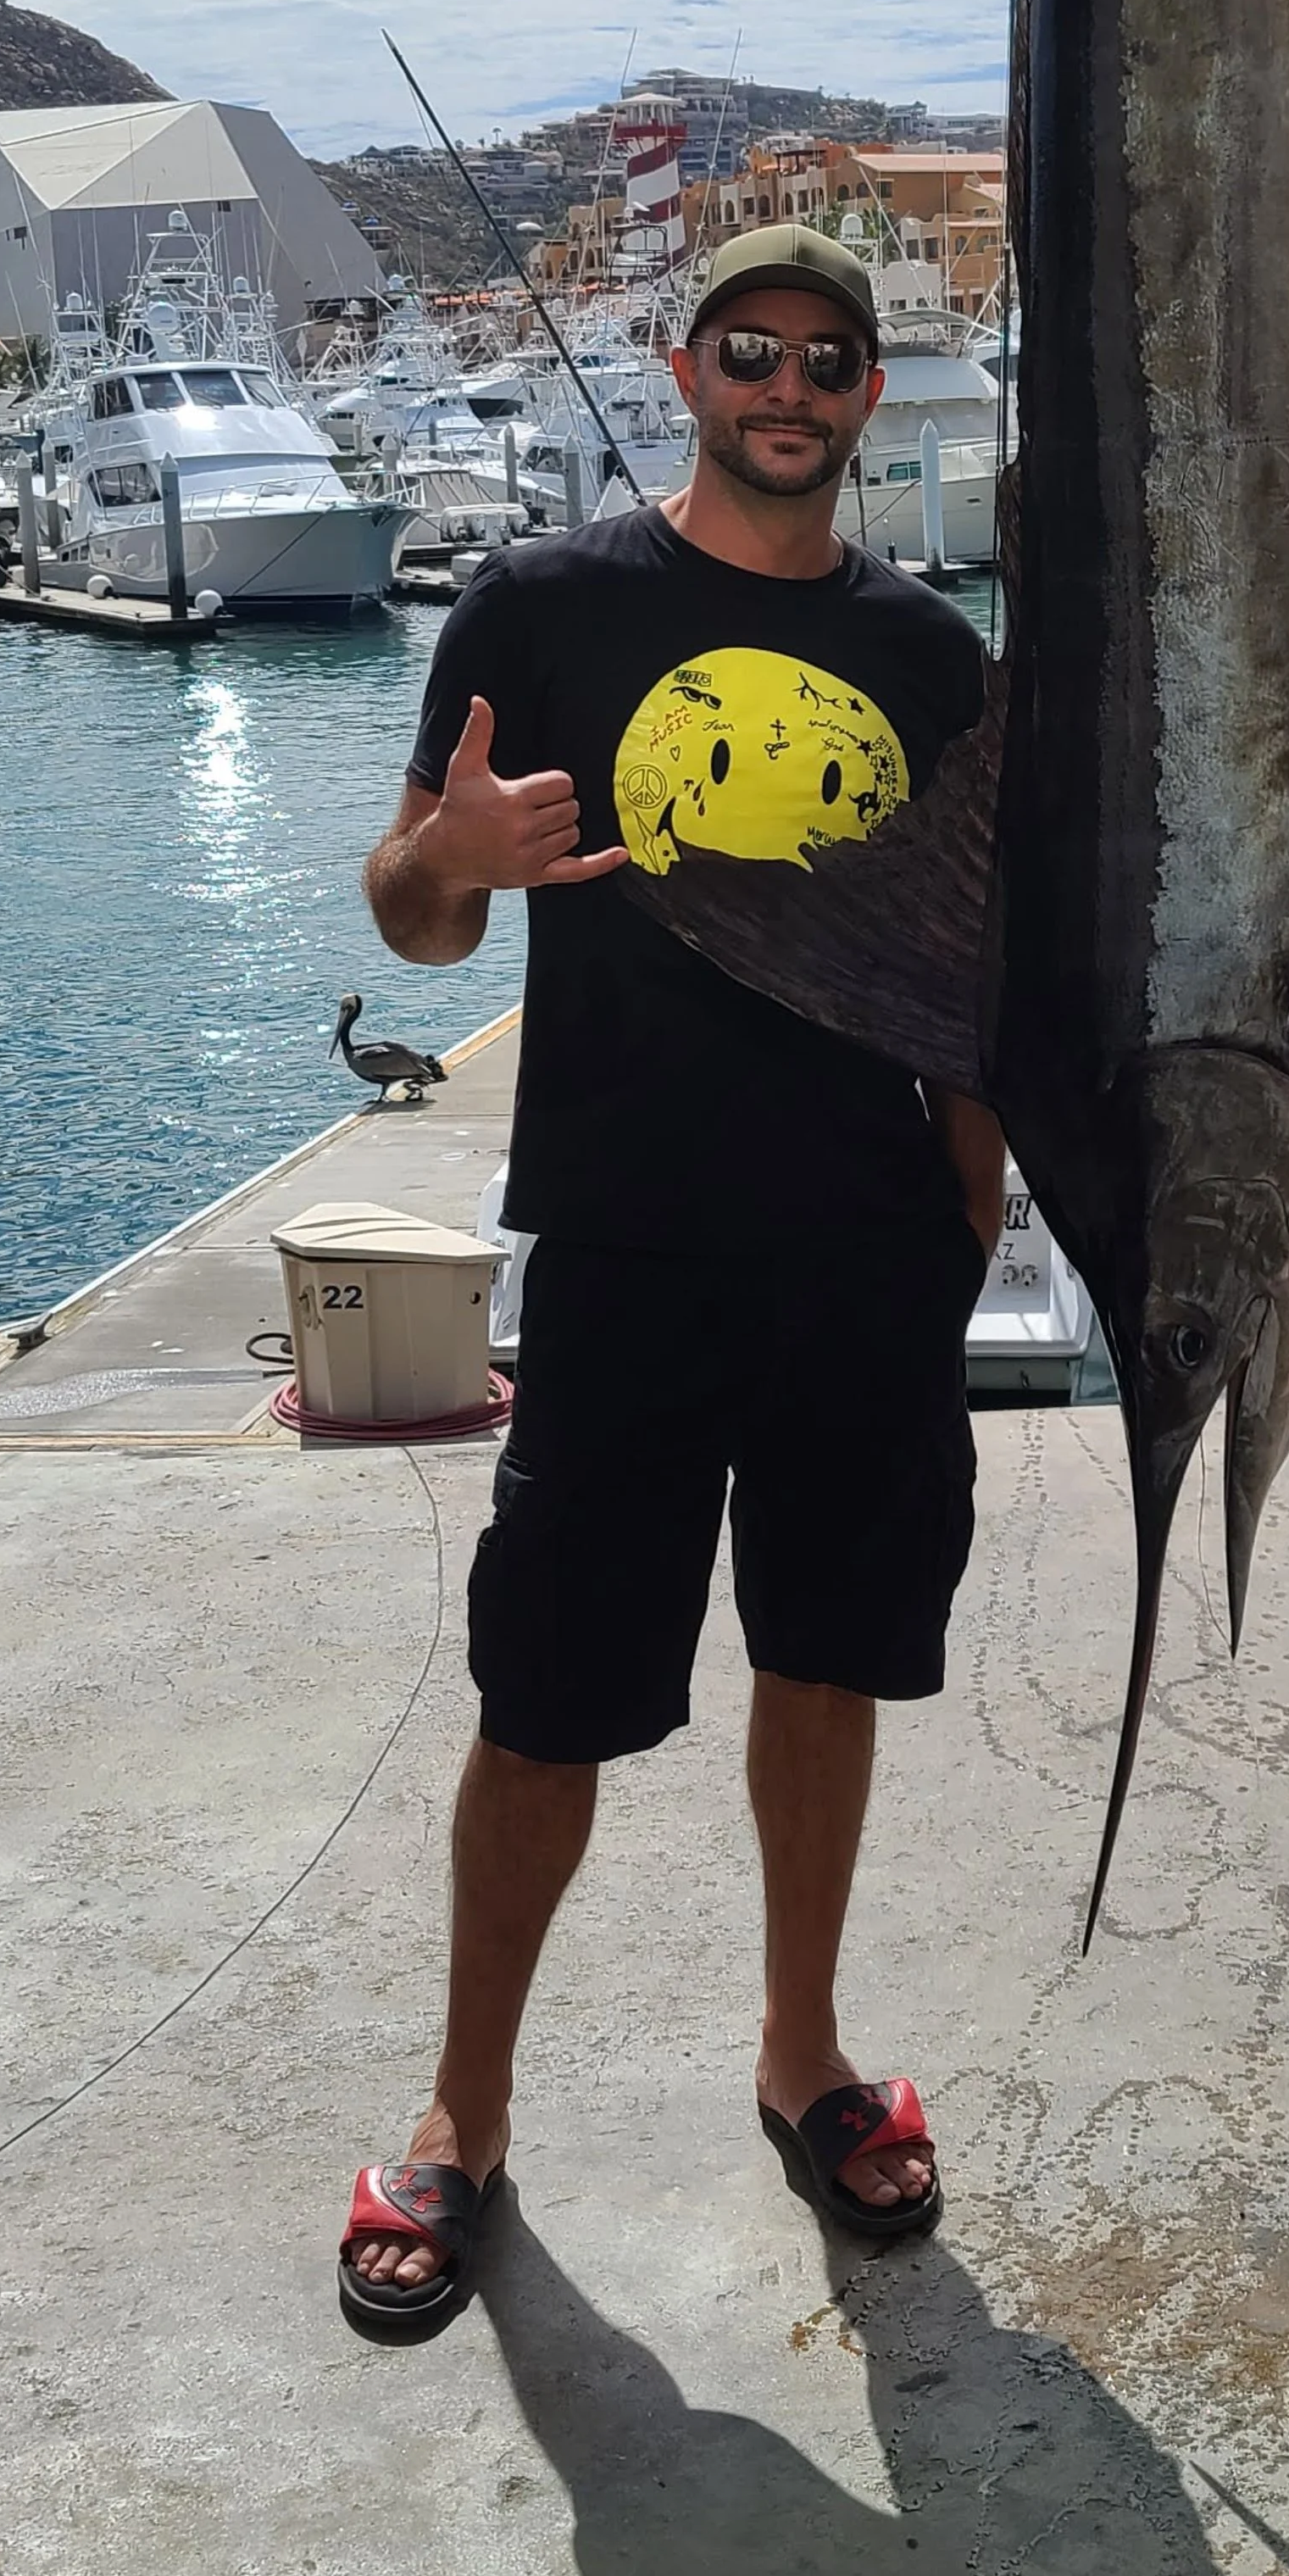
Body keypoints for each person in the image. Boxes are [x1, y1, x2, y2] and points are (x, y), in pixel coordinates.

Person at [337, 227, 1003, 2341]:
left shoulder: (930, 657)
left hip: (864, 1252)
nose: (787, 386)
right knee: (547, 1701)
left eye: (827, 359)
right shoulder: (540, 605)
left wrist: (972, 1208)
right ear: (687, 368)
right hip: (626, 1240)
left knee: (828, 1667)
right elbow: (413, 922)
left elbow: (978, 986)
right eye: (750, 352)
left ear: (867, 397)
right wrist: (453, 861)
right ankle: (462, 2115)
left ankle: (803, 2059)